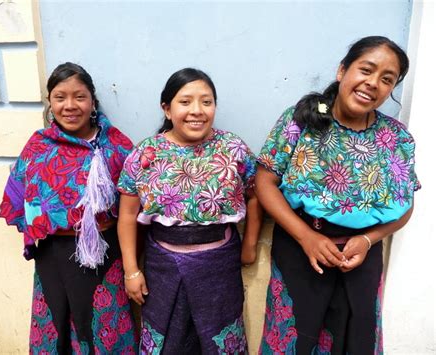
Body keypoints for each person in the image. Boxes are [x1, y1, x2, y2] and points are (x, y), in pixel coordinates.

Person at [256, 36, 420, 354]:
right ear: (342, 70)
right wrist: (306, 237)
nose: (373, 83)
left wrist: (369, 239)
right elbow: (264, 182)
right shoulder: (300, 122)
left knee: (356, 339)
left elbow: (405, 204)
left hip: (361, 256)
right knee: (293, 339)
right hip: (300, 249)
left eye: (387, 79)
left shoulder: (396, 138)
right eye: (366, 70)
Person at [117, 68, 262, 353]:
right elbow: (126, 216)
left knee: (219, 341)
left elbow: (256, 196)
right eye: (185, 102)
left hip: (219, 265)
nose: (197, 111)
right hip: (162, 266)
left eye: (206, 102)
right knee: (168, 340)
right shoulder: (145, 153)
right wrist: (131, 270)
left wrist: (250, 244)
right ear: (167, 109)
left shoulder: (232, 149)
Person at [0, 62, 137, 354]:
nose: (70, 105)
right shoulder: (38, 146)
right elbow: (17, 195)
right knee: (58, 326)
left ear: (93, 101)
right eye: (60, 97)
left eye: (79, 96)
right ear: (50, 102)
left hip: (103, 254)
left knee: (103, 330)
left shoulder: (116, 146)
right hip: (54, 255)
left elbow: (136, 202)